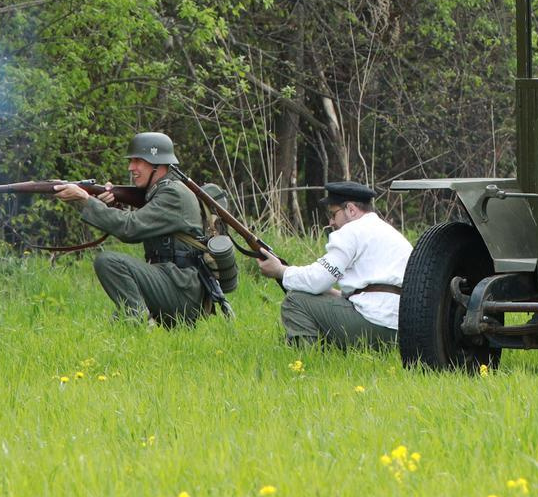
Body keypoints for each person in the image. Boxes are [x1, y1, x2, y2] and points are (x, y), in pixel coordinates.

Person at [52, 132, 224, 326]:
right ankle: (137, 319)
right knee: (117, 327)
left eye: (138, 161)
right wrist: (112, 204)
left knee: (108, 262)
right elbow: (139, 226)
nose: (130, 167)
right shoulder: (161, 191)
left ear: (157, 164)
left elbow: (130, 228)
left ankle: (140, 321)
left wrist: (86, 200)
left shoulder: (173, 194)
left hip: (183, 290)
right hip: (176, 284)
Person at [259, 181, 412, 349]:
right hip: (403, 333)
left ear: (351, 210)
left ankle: (306, 360)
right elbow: (374, 292)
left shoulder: (351, 230)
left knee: (295, 301)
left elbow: (317, 280)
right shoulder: (394, 235)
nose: (331, 222)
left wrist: (280, 271)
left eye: (333, 214)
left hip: (372, 323)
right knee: (324, 295)